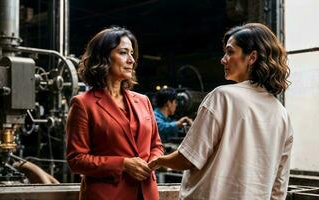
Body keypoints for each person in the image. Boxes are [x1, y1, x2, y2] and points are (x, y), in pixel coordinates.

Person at [149, 23, 293, 200]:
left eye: (230, 52)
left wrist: (158, 160)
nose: (223, 59)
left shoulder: (222, 96)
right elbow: (278, 188)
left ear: (252, 57)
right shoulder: (281, 113)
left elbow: (188, 158)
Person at [66, 26, 164, 200]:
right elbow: (76, 159)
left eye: (132, 54)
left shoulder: (143, 100)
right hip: (107, 195)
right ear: (103, 57)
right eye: (123, 52)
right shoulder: (83, 104)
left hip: (147, 193)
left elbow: (156, 146)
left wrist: (152, 162)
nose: (131, 60)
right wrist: (123, 164)